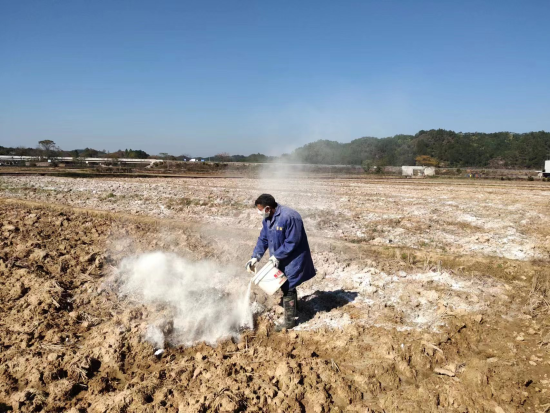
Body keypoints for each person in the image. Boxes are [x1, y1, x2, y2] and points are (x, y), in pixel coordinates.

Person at [246, 194, 316, 330]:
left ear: (268, 208)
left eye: (260, 209)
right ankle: (294, 307)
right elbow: (264, 238)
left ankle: (289, 322)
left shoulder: (290, 217)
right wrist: (256, 256)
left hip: (293, 258)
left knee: (288, 286)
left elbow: (293, 241)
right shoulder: (268, 219)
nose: (258, 212)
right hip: (280, 258)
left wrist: (277, 256)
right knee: (286, 285)